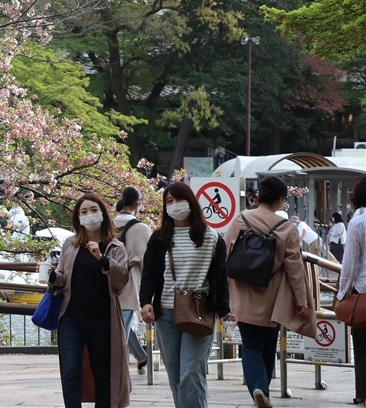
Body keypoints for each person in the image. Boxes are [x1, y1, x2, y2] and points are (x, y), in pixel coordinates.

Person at [139, 182, 235, 408]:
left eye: (178, 200)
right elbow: (150, 274)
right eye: (169, 201)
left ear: (191, 201)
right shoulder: (159, 238)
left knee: (191, 371)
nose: (174, 205)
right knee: (175, 372)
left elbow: (220, 277)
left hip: (200, 311)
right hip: (166, 313)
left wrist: (224, 310)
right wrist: (145, 302)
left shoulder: (211, 238)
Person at [225, 176, 316, 408]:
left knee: (250, 346)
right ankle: (262, 389)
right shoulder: (286, 228)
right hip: (271, 296)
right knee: (267, 346)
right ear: (280, 199)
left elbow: (225, 255)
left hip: (242, 295)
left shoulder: (240, 220)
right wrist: (302, 300)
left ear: (257, 197)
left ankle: (257, 387)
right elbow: (295, 269)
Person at [48, 193, 130, 408]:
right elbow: (62, 276)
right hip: (71, 318)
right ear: (78, 218)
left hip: (103, 320)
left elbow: (121, 281)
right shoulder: (70, 244)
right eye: (83, 212)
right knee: (71, 370)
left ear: (103, 213)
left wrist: (103, 259)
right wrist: (51, 276)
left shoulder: (115, 247)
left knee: (102, 374)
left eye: (94, 210)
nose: (89, 215)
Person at [113, 185, 152, 374]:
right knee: (123, 329)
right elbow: (148, 263)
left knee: (121, 327)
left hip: (107, 284)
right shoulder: (142, 229)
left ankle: (140, 356)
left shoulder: (108, 225)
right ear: (137, 204)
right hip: (129, 286)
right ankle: (118, 367)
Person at [338, 173, 366, 406]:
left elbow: (350, 265)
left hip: (363, 295)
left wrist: (341, 294)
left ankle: (364, 394)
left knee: (363, 347)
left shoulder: (358, 223)